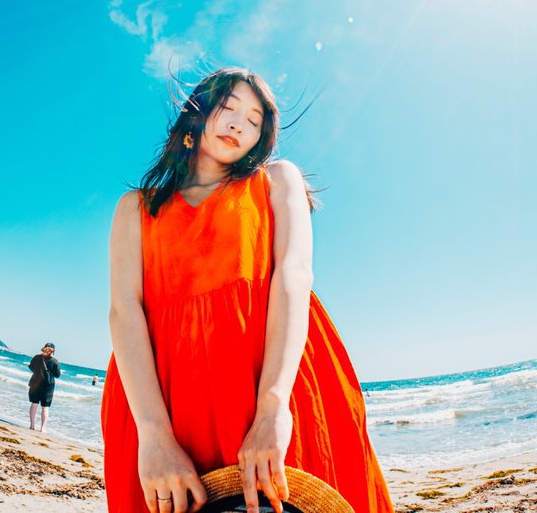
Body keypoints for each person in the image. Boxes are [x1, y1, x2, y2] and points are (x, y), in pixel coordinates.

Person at [101, 68, 394, 513]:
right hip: (163, 406)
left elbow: (293, 276)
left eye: (254, 120)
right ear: (196, 114)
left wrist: (274, 409)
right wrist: (154, 434)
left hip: (269, 381)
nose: (239, 123)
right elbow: (124, 313)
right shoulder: (135, 210)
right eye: (228, 107)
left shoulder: (276, 180)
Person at [28, 343, 61, 432]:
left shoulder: (36, 357)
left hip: (35, 383)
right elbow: (57, 375)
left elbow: (31, 367)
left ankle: (32, 425)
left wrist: (38, 371)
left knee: (34, 404)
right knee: (45, 407)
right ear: (53, 351)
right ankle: (42, 428)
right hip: (48, 386)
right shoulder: (55, 361)